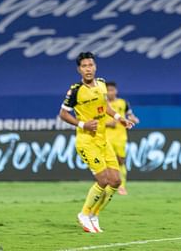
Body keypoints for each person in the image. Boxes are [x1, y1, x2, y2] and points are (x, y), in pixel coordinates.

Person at [59, 52, 135, 233]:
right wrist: (83, 124)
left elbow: (106, 106)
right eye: (84, 66)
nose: (88, 69)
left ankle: (94, 214)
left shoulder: (101, 84)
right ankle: (84, 214)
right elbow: (63, 114)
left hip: (103, 140)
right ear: (79, 69)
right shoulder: (76, 90)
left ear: (95, 66)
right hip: (86, 141)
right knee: (103, 179)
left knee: (115, 181)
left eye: (90, 65)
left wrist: (120, 117)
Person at [105, 81, 140, 196]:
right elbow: (95, 120)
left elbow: (130, 115)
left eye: (112, 90)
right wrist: (107, 123)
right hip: (106, 136)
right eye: (108, 90)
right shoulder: (102, 104)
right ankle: (107, 184)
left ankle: (121, 186)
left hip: (120, 137)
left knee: (120, 161)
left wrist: (134, 119)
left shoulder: (123, 103)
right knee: (107, 162)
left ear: (116, 91)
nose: (110, 92)